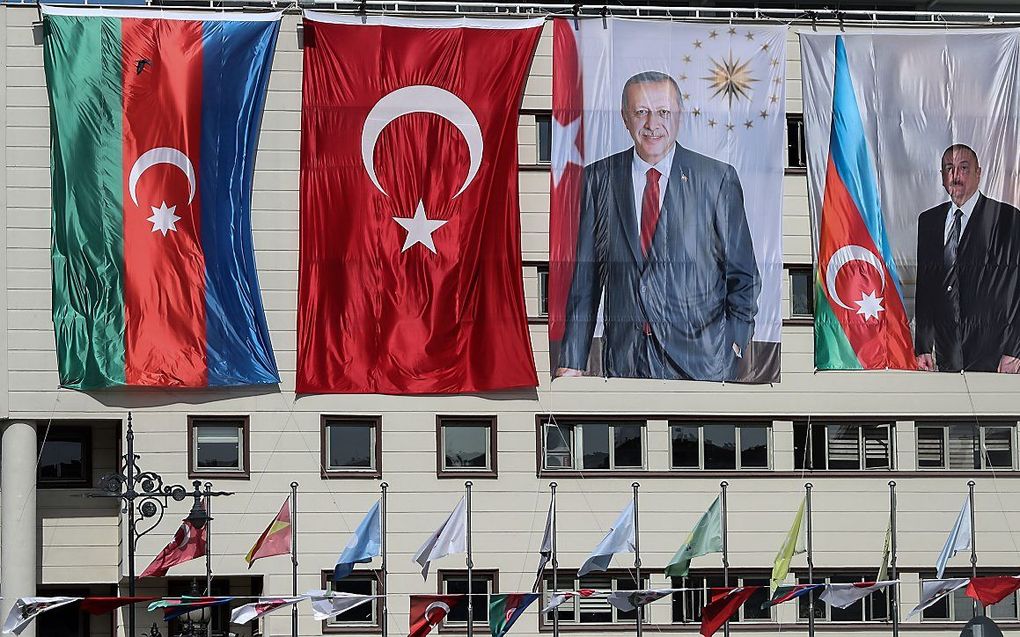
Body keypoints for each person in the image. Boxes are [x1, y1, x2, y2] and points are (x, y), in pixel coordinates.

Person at [555, 71, 759, 381]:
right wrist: (572, 359)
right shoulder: (599, 179)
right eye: (641, 112)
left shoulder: (716, 179)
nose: (652, 124)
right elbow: (587, 278)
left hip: (702, 362)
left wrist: (732, 343)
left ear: (679, 115)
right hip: (626, 361)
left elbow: (743, 275)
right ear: (625, 117)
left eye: (663, 112)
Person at [915, 144, 1020, 373]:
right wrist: (922, 346)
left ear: (978, 173)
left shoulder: (1006, 218)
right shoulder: (928, 221)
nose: (956, 176)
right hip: (944, 352)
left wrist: (1015, 349)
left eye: (964, 168)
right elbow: (925, 287)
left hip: (994, 351)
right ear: (942, 176)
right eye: (949, 169)